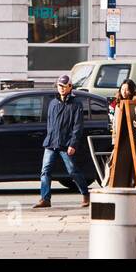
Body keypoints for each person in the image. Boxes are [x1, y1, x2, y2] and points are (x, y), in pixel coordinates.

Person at [33, 74, 90, 208]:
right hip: (51, 142)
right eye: (59, 86)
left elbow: (78, 126)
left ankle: (86, 194)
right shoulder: (53, 103)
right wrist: (50, 136)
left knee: (72, 171)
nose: (61, 88)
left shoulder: (76, 104)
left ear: (70, 87)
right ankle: (45, 198)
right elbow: (50, 122)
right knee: (45, 171)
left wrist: (73, 144)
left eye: (64, 86)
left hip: (66, 143)